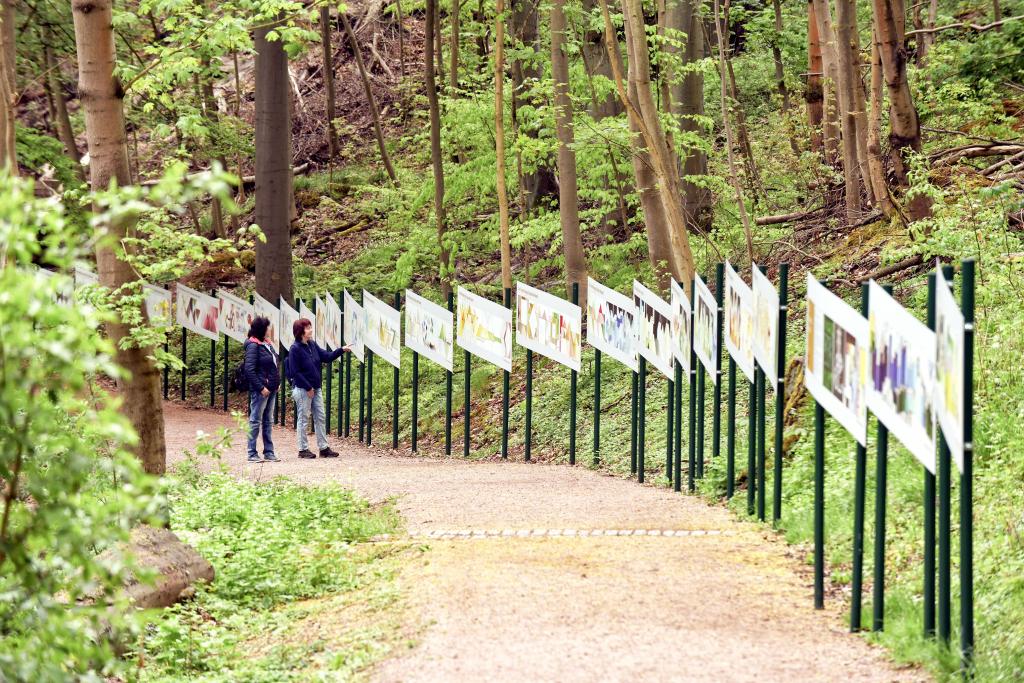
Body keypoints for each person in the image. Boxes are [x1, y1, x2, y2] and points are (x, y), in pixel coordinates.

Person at [287, 318, 346, 459]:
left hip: (316, 388)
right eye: (308, 328)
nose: (311, 330)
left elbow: (326, 356)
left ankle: (324, 448)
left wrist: (341, 350)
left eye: (310, 327)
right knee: (303, 418)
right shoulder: (295, 349)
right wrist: (307, 387)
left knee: (320, 417)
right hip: (302, 389)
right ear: (300, 332)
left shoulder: (312, 344)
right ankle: (303, 449)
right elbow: (295, 372)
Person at [243, 316, 280, 463]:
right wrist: (260, 387)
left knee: (268, 421)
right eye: (267, 327)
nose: (269, 329)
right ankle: (252, 453)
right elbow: (249, 370)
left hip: (271, 389)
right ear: (262, 329)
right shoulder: (253, 346)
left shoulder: (267, 344)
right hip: (261, 391)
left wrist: (276, 382)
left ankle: (269, 452)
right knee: (255, 421)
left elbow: (274, 364)